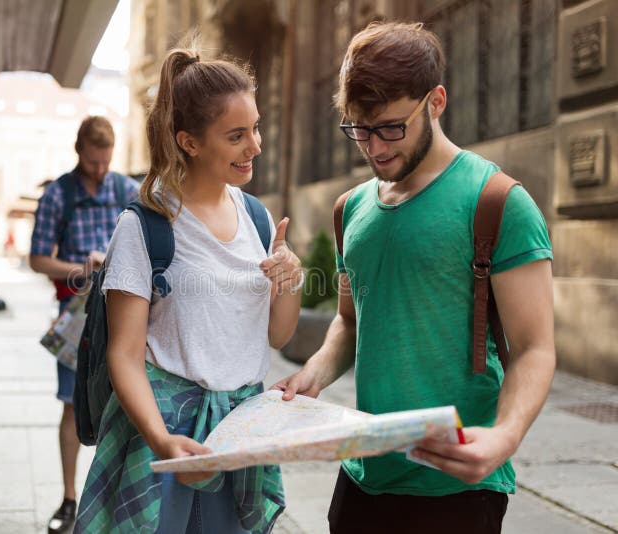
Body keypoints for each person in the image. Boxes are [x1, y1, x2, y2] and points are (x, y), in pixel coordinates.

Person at [272, 21, 555, 534]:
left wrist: (505, 437)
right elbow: (349, 322)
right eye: (359, 128)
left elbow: (535, 346)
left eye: (390, 127)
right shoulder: (349, 210)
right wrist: (314, 372)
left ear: (437, 101)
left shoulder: (497, 202)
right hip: (361, 479)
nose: (374, 147)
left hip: (457, 489)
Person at [73, 46, 302, 534]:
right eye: (236, 136)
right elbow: (125, 354)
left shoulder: (258, 219)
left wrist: (290, 281)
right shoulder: (146, 226)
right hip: (164, 434)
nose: (255, 146)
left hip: (240, 433)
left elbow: (278, 337)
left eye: (256, 128)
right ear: (190, 142)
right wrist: (159, 439)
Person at [29, 116, 140, 534]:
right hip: (75, 313)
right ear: (79, 153)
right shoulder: (58, 194)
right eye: (92, 162)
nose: (98, 170)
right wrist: (81, 266)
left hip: (124, 310)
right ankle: (69, 499)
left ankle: (114, 498)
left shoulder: (127, 190)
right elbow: (38, 259)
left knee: (126, 401)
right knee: (73, 405)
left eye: (105, 162)